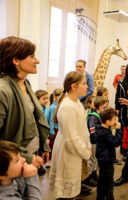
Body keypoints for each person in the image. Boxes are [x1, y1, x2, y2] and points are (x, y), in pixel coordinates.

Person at [0, 36, 50, 169]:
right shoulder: (2, 91)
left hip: (31, 155)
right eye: (31, 56)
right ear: (16, 60)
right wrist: (27, 158)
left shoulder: (25, 83)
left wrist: (43, 145)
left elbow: (34, 119)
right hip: (12, 163)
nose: (37, 61)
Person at [49, 71, 92, 200]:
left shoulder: (76, 102)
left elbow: (83, 129)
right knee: (66, 193)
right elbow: (71, 138)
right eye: (84, 84)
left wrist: (87, 145)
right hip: (69, 152)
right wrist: (85, 152)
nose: (87, 87)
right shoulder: (68, 107)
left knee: (71, 192)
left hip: (77, 150)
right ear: (74, 87)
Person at [94, 107, 122, 200]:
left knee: (102, 179)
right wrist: (118, 130)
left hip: (101, 159)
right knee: (109, 181)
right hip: (107, 159)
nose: (116, 121)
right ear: (108, 122)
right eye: (114, 119)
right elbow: (116, 142)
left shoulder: (99, 128)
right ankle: (110, 197)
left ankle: (100, 197)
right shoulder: (106, 133)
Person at [84, 96, 109, 187]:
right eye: (105, 106)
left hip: (98, 141)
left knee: (96, 159)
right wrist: (100, 136)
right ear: (100, 107)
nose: (106, 108)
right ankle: (89, 176)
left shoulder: (101, 115)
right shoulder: (93, 117)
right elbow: (92, 130)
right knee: (92, 159)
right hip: (93, 141)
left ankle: (94, 173)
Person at [47, 88, 63, 162]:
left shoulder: (61, 105)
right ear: (55, 97)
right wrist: (52, 131)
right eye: (60, 95)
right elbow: (51, 121)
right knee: (52, 145)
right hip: (55, 130)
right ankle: (50, 159)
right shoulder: (53, 107)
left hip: (60, 129)